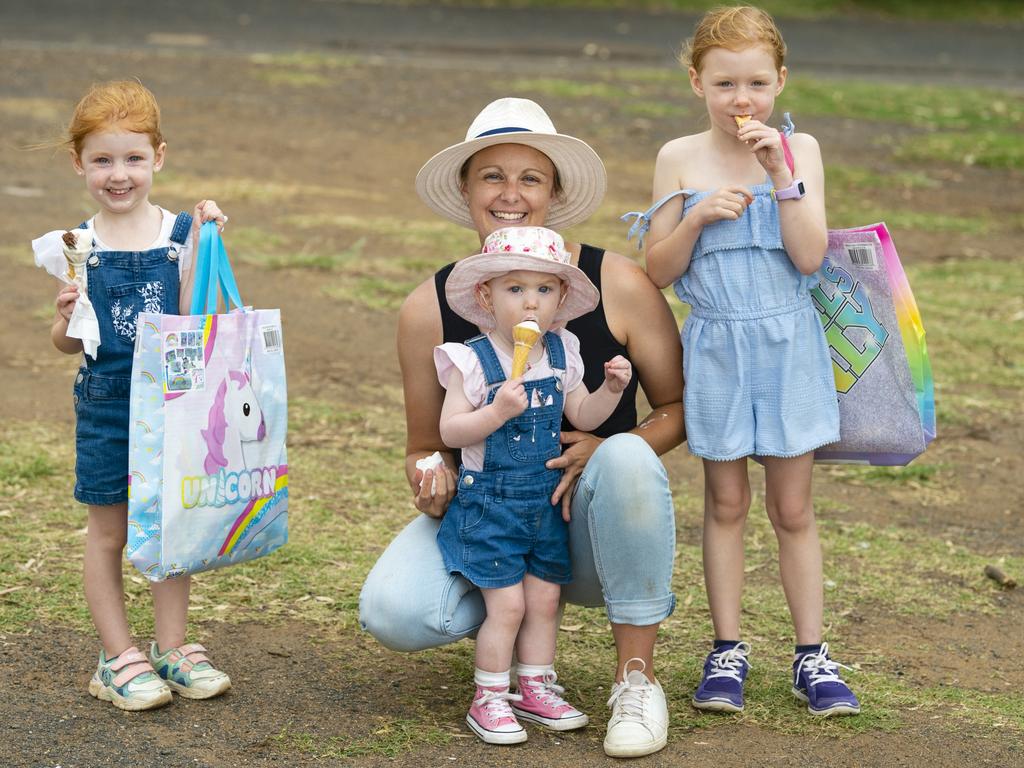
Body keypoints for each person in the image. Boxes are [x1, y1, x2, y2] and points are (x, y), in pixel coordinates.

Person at [359, 97, 686, 758]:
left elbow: (678, 408)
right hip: (491, 509)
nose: (510, 194)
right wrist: (432, 477)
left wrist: (605, 444)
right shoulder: (431, 308)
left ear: (555, 192)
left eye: (530, 178)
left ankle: (636, 677)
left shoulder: (614, 283)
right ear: (466, 190)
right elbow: (425, 445)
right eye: (492, 176)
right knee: (394, 610)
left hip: (593, 528)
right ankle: (506, 646)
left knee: (625, 459)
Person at [623, 5, 859, 717]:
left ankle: (811, 656)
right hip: (720, 345)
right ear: (697, 82)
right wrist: (695, 217)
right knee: (725, 503)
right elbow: (656, 271)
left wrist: (780, 175)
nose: (742, 100)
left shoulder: (802, 149)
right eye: (725, 84)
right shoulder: (678, 157)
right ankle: (726, 648)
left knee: (793, 508)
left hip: (789, 344)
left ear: (781, 81)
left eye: (757, 83)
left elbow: (810, 256)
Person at [32, 80, 230, 711]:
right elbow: (67, 345)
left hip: (172, 403)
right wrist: (65, 316)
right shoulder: (76, 247)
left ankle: (172, 647)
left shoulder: (180, 234)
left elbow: (204, 312)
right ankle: (118, 657)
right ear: (79, 164)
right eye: (103, 160)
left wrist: (210, 239)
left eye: (133, 159)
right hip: (107, 403)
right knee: (109, 533)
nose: (119, 175)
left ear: (159, 158)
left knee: (170, 533)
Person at [433, 225, 632, 744]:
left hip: (543, 505)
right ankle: (489, 696)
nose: (529, 303)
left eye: (543, 290)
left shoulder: (563, 351)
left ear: (561, 298)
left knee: (544, 602)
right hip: (491, 505)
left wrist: (611, 390)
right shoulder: (471, 359)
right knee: (509, 606)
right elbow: (451, 430)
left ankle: (535, 686)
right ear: (486, 295)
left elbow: (583, 412)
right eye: (514, 289)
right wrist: (496, 411)